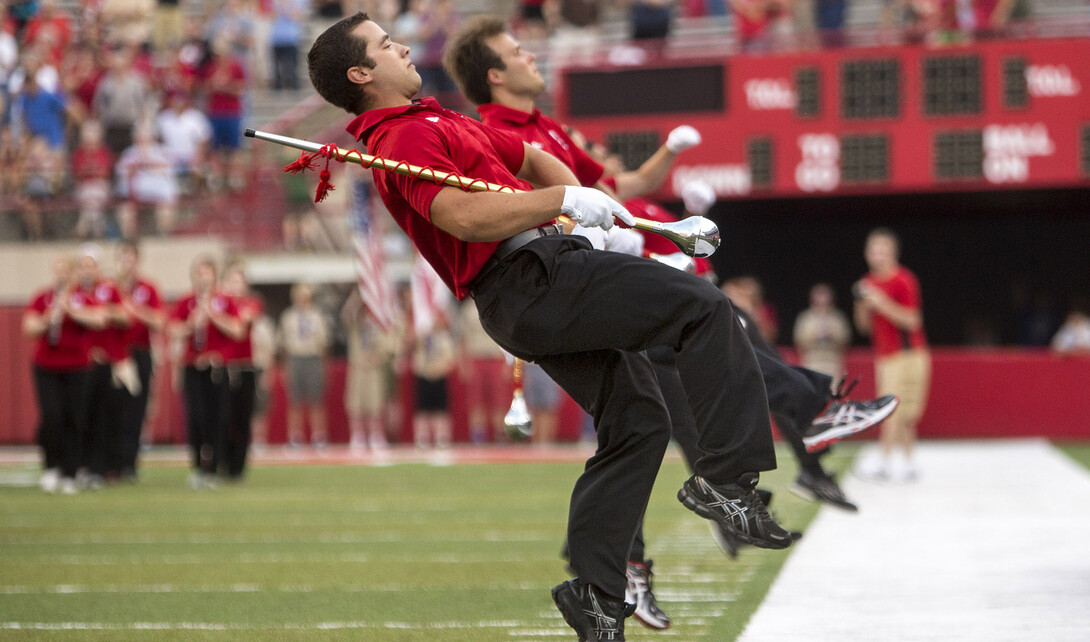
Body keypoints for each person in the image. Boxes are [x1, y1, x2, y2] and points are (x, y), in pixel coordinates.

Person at [308, 14, 793, 639]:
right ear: (362, 74)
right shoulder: (400, 139)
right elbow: (462, 216)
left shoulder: (442, 120)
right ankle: (728, 480)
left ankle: (595, 591)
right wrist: (561, 206)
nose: (400, 45)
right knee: (705, 307)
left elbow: (532, 157)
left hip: (542, 277)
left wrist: (588, 217)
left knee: (640, 420)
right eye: (384, 45)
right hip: (530, 279)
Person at [443, 19, 897, 628]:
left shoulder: (544, 129)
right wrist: (611, 239)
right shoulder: (492, 130)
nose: (530, 55)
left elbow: (614, 187)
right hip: (570, 281)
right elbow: (529, 213)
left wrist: (670, 161)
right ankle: (742, 472)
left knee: (644, 420)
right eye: (516, 52)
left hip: (599, 270)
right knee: (706, 324)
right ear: (494, 74)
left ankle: (603, 588)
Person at [23, 256, 106, 494]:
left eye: (65, 272)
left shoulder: (83, 298)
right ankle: (52, 467)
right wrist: (49, 317)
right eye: (57, 271)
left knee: (74, 418)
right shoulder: (43, 298)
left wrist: (71, 309)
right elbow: (29, 327)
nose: (60, 276)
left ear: (72, 275)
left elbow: (99, 320)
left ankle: (71, 471)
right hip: (47, 365)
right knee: (52, 416)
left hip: (77, 366)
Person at [854, 227, 931, 483]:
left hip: (908, 354)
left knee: (901, 412)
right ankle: (908, 462)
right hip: (885, 356)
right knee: (895, 410)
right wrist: (863, 305)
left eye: (883, 250)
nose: (878, 255)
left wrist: (880, 301)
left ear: (892, 253)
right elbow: (863, 327)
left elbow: (912, 321)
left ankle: (884, 460)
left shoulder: (903, 279)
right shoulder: (868, 282)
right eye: (874, 250)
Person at [169, 256, 243, 489]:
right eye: (200, 273)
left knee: (218, 419)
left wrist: (213, 316)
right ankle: (199, 467)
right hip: (193, 367)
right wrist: (191, 324)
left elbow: (238, 330)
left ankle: (215, 467)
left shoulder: (224, 301)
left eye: (208, 273)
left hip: (217, 370)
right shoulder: (186, 302)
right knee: (196, 418)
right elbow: (172, 329)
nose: (204, 278)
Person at [74, 244, 132, 487]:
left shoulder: (108, 290)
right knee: (79, 416)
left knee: (103, 418)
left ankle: (99, 467)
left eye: (92, 265)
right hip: (77, 364)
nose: (88, 270)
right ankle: (79, 465)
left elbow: (125, 317)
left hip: (105, 361)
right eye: (83, 265)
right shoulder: (73, 292)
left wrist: (101, 309)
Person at [114, 240, 164, 481]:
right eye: (122, 258)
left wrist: (134, 308)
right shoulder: (109, 287)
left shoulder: (148, 288)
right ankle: (109, 462)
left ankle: (129, 464)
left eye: (130, 258)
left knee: (136, 410)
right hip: (114, 353)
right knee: (112, 408)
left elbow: (159, 322)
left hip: (140, 351)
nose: (127, 264)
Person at [221, 263, 262, 478]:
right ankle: (222, 460)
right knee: (222, 417)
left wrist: (217, 317)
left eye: (239, 281)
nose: (235, 286)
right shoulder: (220, 303)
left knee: (242, 417)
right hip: (223, 367)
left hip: (244, 365)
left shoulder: (250, 303)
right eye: (231, 280)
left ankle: (238, 465)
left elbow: (241, 325)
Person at [342, 288, 396, 450]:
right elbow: (346, 315)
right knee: (356, 404)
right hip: (358, 367)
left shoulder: (378, 324)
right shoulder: (355, 324)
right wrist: (357, 296)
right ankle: (358, 435)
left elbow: (387, 347)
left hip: (373, 368)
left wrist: (377, 357)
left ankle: (375, 435)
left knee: (375, 404)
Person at [278, 283, 330, 447]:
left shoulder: (317, 316)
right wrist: (286, 366)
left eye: (305, 297)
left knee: (316, 400)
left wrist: (323, 365)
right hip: (295, 358)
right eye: (299, 297)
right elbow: (283, 343)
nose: (302, 300)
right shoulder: (288, 316)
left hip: (312, 357)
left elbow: (323, 343)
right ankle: (295, 436)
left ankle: (319, 436)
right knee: (295, 401)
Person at [457, 299, 511, 443]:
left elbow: (507, 337)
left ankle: (500, 436)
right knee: (476, 401)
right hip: (476, 357)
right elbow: (463, 337)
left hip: (496, 357)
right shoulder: (468, 308)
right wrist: (463, 363)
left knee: (499, 400)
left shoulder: (499, 304)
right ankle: (478, 438)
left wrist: (508, 363)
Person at [410, 311, 456, 449]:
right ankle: (422, 437)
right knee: (422, 410)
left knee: (441, 410)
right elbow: (412, 349)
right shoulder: (421, 337)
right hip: (423, 375)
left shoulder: (444, 338)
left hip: (439, 376)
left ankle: (442, 437)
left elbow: (450, 359)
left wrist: (438, 368)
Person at [794, 282, 852, 385]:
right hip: (812, 362)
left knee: (832, 392)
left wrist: (832, 335)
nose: (822, 302)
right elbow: (798, 341)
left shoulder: (837, 318)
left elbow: (845, 340)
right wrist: (814, 336)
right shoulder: (805, 318)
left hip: (832, 362)